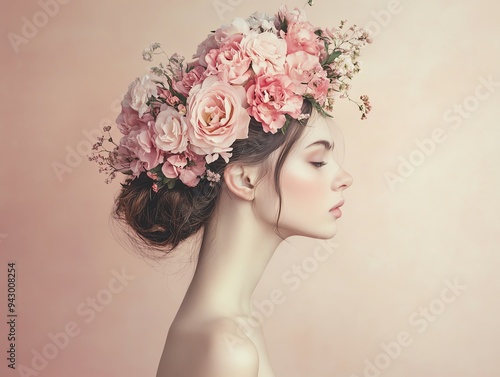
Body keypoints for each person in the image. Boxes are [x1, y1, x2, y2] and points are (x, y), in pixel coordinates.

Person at [90, 4, 371, 377]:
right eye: (317, 161)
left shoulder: (234, 331)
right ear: (244, 180)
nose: (344, 177)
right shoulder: (225, 350)